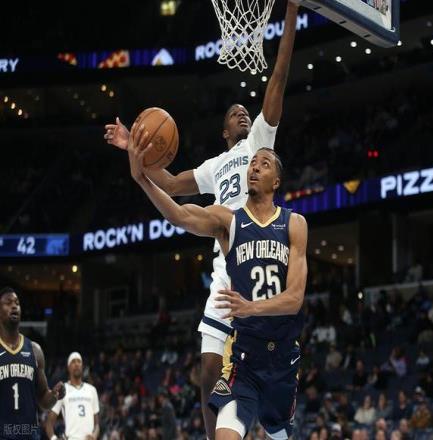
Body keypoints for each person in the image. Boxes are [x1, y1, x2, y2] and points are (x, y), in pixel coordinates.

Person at [103, 3, 299, 438]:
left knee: (266, 376)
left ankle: (274, 425)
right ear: (224, 131)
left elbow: (278, 79)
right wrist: (133, 150)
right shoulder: (214, 166)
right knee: (209, 370)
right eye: (234, 113)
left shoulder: (260, 142)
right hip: (225, 264)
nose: (243, 113)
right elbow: (171, 184)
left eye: (245, 111)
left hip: (259, 257)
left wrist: (290, 15)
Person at [127, 145, 307, 440]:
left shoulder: (294, 224)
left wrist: (250, 307)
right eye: (253, 163)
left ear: (276, 181)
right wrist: (142, 179)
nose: (255, 167)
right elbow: (179, 215)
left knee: (280, 434)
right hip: (243, 361)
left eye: (264, 164)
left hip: (282, 360)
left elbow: (295, 298)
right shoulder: (228, 221)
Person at [0, 286, 65, 440]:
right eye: (8, 303)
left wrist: (54, 395)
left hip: (29, 435)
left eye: (17, 303)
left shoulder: (35, 350)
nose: (14, 306)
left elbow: (43, 400)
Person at [45, 352, 100, 440]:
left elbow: (97, 424)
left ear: (82, 366)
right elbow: (49, 423)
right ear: (68, 367)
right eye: (73, 361)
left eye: (79, 361)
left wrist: (94, 435)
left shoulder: (92, 390)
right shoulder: (63, 390)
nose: (76, 364)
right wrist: (54, 438)